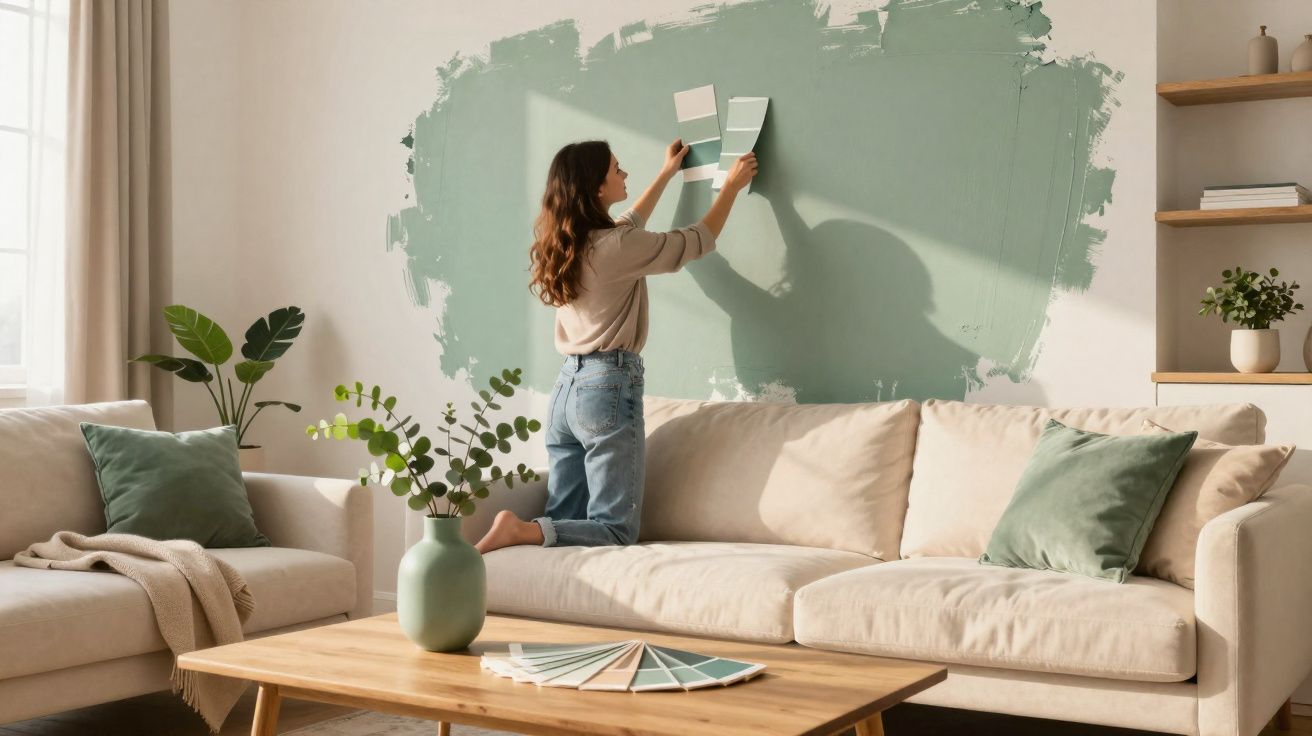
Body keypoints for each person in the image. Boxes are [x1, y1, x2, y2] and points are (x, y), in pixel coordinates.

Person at [473, 139, 758, 553]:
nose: (624, 174)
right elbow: (697, 239)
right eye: (616, 169)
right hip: (607, 387)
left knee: (564, 521)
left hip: (566, 393)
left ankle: (535, 533)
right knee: (615, 529)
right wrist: (730, 187)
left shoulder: (568, 244)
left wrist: (666, 173)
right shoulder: (617, 248)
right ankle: (524, 531)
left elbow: (628, 224)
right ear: (597, 187)